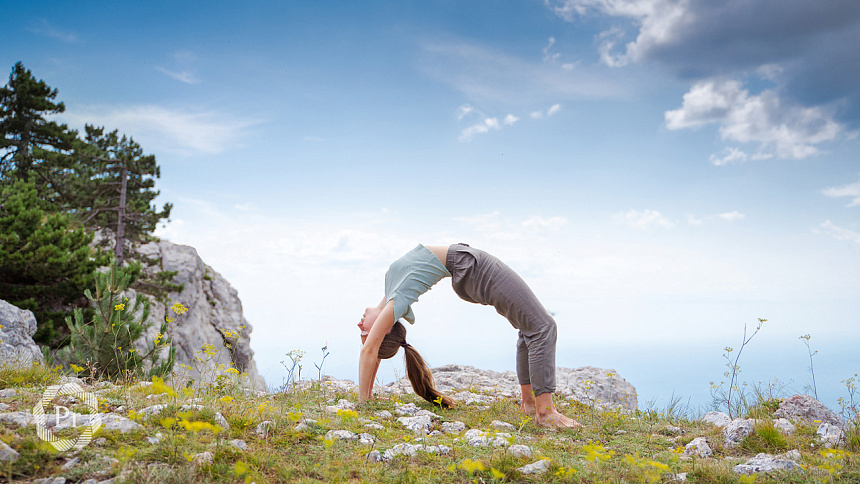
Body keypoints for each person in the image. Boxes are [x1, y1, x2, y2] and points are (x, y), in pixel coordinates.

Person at [358, 243, 581, 428]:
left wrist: (367, 397)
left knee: (529, 327)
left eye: (362, 331)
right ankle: (545, 412)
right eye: (365, 331)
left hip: (466, 266)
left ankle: (530, 404)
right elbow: (370, 350)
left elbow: (373, 351)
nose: (359, 324)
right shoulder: (399, 301)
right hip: (474, 267)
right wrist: (362, 402)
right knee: (544, 326)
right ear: (384, 328)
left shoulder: (392, 293)